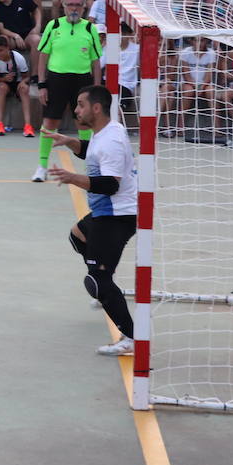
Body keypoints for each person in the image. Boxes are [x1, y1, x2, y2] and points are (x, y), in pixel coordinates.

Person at [44, 85, 139, 356]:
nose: (76, 110)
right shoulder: (107, 131)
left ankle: (131, 338)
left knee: (95, 282)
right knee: (78, 235)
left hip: (116, 215)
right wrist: (71, 142)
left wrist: (72, 177)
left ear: (96, 108)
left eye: (81, 105)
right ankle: (107, 282)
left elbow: (109, 184)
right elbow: (92, 153)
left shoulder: (109, 141)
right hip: (108, 212)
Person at [33, 0, 102, 182]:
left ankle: (90, 165)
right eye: (70, 5)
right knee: (50, 123)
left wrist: (96, 88)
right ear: (63, 6)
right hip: (56, 79)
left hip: (82, 81)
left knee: (84, 123)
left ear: (83, 8)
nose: (74, 8)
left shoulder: (90, 28)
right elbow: (43, 56)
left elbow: (95, 61)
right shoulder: (54, 26)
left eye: (77, 5)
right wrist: (42, 84)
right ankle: (42, 166)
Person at [0, 34, 33, 136]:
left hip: (17, 83)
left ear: (8, 48)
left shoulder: (18, 58)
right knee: (2, 87)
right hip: (4, 84)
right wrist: (4, 78)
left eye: (1, 50)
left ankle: (28, 126)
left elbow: (27, 76)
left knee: (24, 89)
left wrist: (23, 82)